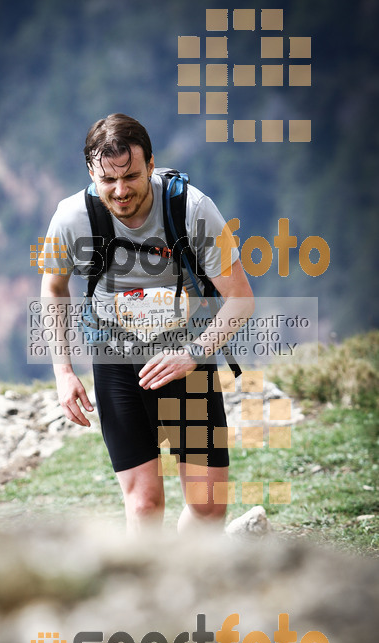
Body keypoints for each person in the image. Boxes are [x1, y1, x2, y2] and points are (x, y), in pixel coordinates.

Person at [40, 113, 254, 533]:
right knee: (143, 504)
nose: (120, 191)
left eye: (131, 176)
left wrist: (193, 354)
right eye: (107, 180)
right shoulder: (70, 218)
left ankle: (188, 580)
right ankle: (152, 595)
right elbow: (53, 289)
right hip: (116, 361)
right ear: (91, 173)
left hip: (186, 357)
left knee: (208, 507)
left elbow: (240, 299)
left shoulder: (192, 209)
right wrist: (63, 371)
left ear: (151, 165)